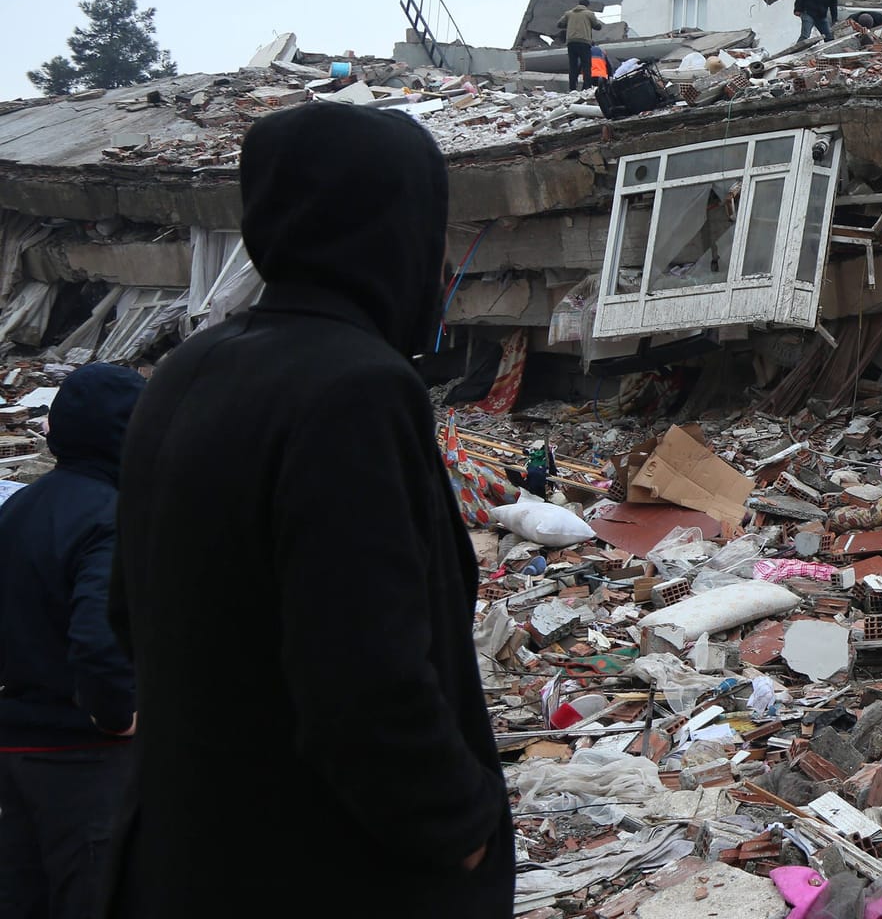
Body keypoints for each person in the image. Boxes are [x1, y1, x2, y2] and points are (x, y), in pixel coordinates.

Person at [108, 103, 513, 917]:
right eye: (431, 232)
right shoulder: (355, 389)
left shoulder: (189, 370)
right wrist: (457, 826)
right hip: (324, 869)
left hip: (188, 850)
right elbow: (363, 678)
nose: (440, 272)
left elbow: (128, 613)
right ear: (387, 230)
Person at [0, 364, 144, 919]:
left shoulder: (22, 506)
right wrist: (118, 715)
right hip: (81, 760)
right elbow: (98, 637)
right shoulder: (109, 518)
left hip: (17, 748)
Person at [557, 0, 602, 91]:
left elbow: (559, 24)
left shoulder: (569, 13)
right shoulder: (589, 14)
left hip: (571, 43)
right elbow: (598, 26)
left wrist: (570, 25)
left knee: (573, 66)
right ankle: (587, 87)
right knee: (586, 65)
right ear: (587, 6)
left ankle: (572, 88)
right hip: (584, 42)